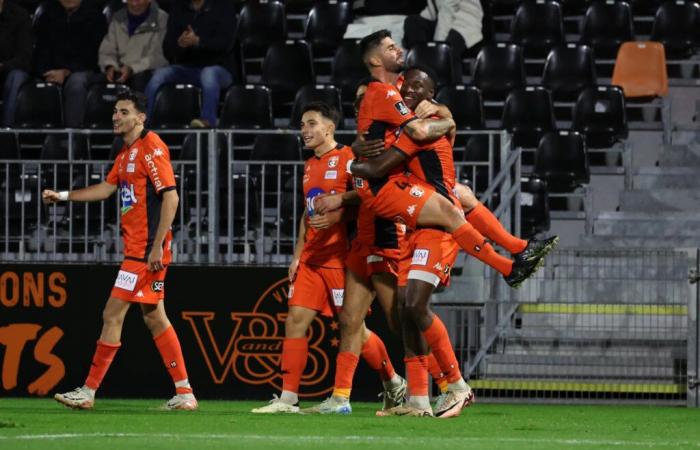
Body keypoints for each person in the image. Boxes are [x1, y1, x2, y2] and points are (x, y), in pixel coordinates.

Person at [44, 91, 197, 411]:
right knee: (155, 317)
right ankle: (184, 393)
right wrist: (62, 195)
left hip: (144, 252)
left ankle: (88, 391)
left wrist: (156, 246)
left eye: (123, 111)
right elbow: (106, 188)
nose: (115, 116)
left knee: (112, 313)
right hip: (140, 249)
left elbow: (171, 198)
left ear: (140, 118)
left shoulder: (152, 148)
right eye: (114, 111)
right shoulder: (127, 152)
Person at [251, 102, 402, 414]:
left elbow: (367, 202)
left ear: (329, 128)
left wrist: (337, 218)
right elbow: (307, 215)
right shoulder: (309, 164)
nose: (304, 130)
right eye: (302, 125)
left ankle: (392, 380)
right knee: (295, 321)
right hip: (311, 259)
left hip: (341, 260)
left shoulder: (348, 158)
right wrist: (296, 255)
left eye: (311, 124)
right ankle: (288, 398)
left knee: (356, 331)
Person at [145, 0, 236, 128]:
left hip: (220, 69)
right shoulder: (178, 8)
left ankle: (207, 121)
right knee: (159, 75)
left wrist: (199, 42)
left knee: (208, 74)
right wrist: (180, 45)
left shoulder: (223, 7)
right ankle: (142, 123)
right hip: (188, 68)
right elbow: (168, 50)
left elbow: (226, 44)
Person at [33, 0, 107, 127]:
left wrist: (67, 72)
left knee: (76, 83)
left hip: (85, 70)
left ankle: (73, 138)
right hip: (52, 71)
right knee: (31, 82)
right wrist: (45, 72)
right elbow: (39, 51)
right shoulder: (47, 16)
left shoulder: (95, 17)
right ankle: (38, 139)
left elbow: (94, 56)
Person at [98, 0, 169, 93]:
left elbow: (158, 56)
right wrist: (110, 66)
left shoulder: (162, 18)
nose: (134, 2)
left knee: (140, 81)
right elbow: (107, 50)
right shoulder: (117, 17)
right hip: (119, 71)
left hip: (145, 72)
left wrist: (132, 69)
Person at [0, 0, 32, 127]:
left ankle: (7, 133)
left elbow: (25, 57)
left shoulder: (20, 16)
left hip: (12, 70)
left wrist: (3, 66)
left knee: (16, 77)